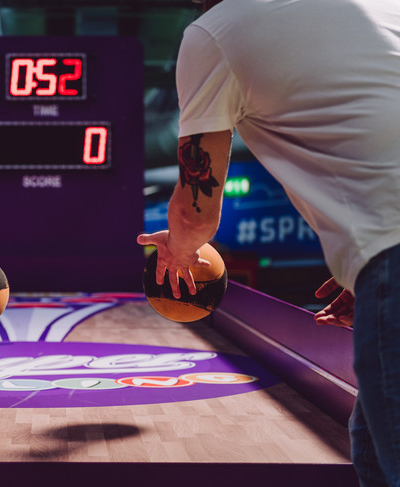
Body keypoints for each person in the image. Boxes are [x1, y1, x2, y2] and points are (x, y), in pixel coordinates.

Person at [137, 0, 400, 485]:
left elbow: (195, 213)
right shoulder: (381, 6)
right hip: (386, 260)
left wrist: (179, 248)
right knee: (371, 450)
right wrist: (366, 272)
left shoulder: (214, 33)